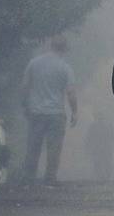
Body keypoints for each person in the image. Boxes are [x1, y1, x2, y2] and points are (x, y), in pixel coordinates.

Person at [19, 35, 78, 184]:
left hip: (36, 111)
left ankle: (28, 177)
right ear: (64, 50)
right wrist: (74, 111)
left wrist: (25, 105)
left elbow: (25, 86)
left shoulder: (34, 63)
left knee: (33, 145)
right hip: (56, 113)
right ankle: (50, 177)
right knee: (54, 147)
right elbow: (70, 92)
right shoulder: (65, 68)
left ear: (51, 46)